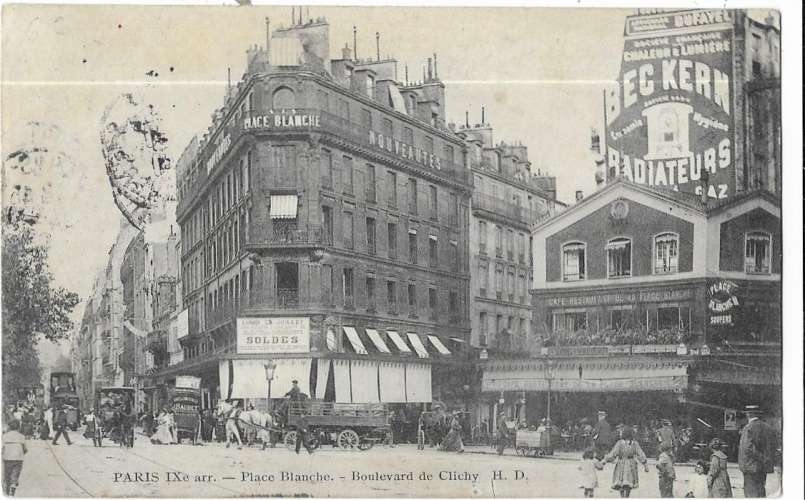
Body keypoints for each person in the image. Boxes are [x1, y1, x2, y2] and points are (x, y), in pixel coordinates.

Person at [600, 426, 648, 498]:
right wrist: (645, 464)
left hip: (621, 463)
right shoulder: (635, 443)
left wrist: (605, 460)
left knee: (621, 482)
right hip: (631, 464)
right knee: (629, 482)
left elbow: (613, 453)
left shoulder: (620, 443)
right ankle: (627, 496)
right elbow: (640, 454)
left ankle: (622, 496)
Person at [738, 405, 774, 498]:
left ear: (748, 414)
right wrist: (765, 459)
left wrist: (759, 457)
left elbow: (747, 448)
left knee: (751, 493)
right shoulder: (767, 427)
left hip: (750, 467)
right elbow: (772, 446)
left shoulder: (748, 428)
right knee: (761, 491)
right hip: (763, 467)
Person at [2, 420, 27, 496]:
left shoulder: (4, 436)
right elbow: (25, 449)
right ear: (18, 427)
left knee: (7, 474)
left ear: (9, 427)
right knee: (15, 474)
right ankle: (13, 488)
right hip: (18, 458)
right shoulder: (21, 436)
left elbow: (2, 448)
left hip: (7, 458)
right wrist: (23, 452)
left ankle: (6, 491)